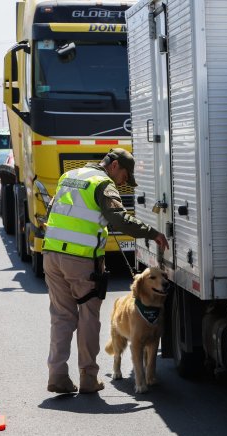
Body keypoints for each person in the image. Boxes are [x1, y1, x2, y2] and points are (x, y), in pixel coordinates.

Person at [42, 148, 169, 394]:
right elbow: (120, 219)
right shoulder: (103, 184)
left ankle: (57, 375)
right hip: (80, 260)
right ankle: (88, 378)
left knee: (61, 317)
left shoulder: (69, 176)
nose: (122, 183)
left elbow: (53, 213)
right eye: (124, 176)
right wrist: (153, 234)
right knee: (88, 316)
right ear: (114, 167)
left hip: (51, 254)